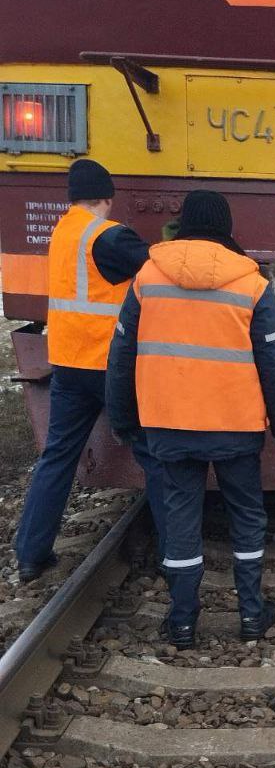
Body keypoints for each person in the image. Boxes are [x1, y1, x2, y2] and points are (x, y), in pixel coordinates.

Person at [106, 189, 275, 649]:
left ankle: (182, 622)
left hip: (170, 425)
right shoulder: (251, 283)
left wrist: (122, 418)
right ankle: (253, 615)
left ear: (182, 225)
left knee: (179, 521)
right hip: (235, 426)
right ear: (227, 230)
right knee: (246, 517)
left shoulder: (148, 278)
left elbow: (121, 355)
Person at [15, 159, 166, 581]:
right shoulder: (108, 236)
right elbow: (159, 270)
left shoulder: (63, 232)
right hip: (109, 366)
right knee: (154, 457)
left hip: (67, 364)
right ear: (107, 197)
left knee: (57, 457)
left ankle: (31, 554)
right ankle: (171, 553)